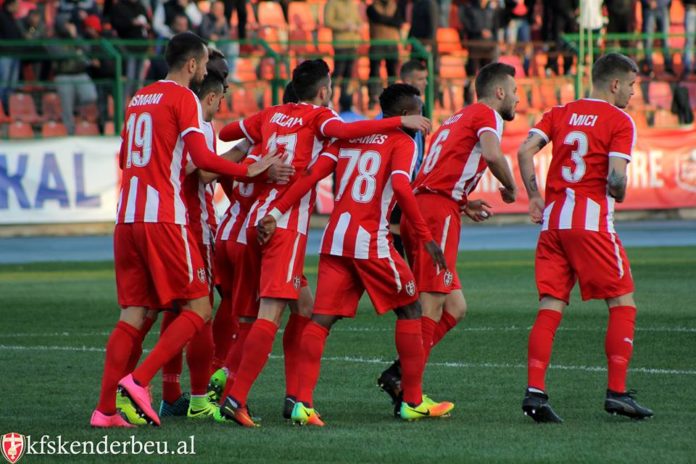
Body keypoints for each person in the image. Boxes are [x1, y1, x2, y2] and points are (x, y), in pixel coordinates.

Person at [213, 59, 431, 427]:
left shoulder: (272, 115)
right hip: (287, 226)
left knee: (299, 311)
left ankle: (293, 399)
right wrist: (398, 123)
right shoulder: (324, 120)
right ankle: (236, 398)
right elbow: (340, 141)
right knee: (270, 316)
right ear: (324, 90)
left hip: (256, 220)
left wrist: (263, 138)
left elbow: (228, 132)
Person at [90, 32, 280, 428]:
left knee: (134, 314)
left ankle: (105, 411)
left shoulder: (138, 98)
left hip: (127, 216)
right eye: (205, 65)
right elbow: (201, 159)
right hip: (164, 216)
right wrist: (249, 169)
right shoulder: (184, 99)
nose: (206, 72)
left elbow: (125, 158)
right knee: (198, 308)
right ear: (193, 64)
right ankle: (138, 382)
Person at [256, 83, 453, 425]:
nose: (422, 119)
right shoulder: (403, 141)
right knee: (411, 309)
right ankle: (412, 400)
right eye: (419, 112)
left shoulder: (349, 137)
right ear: (405, 114)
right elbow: (401, 186)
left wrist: (276, 211)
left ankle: (302, 403)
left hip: (335, 240)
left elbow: (311, 176)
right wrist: (425, 237)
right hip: (370, 241)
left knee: (321, 321)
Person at [516, 52, 653, 423]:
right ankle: (617, 393)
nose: (633, 93)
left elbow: (525, 150)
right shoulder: (619, 120)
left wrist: (533, 195)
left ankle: (535, 392)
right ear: (615, 84)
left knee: (550, 305)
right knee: (622, 302)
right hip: (591, 225)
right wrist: (619, 190)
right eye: (631, 85)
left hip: (553, 224)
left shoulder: (560, 112)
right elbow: (616, 179)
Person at [377, 63, 519, 414]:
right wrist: (511, 187)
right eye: (515, 91)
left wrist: (463, 201)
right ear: (499, 91)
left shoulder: (458, 117)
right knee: (431, 305)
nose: (517, 99)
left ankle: (399, 374)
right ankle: (411, 398)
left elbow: (440, 168)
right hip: (436, 212)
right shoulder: (487, 114)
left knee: (455, 307)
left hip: (428, 207)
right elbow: (492, 154)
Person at [367, 0, 405, 108]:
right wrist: (392, 21)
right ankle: (373, 98)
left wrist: (385, 20)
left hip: (392, 44)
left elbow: (399, 22)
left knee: (392, 72)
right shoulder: (372, 8)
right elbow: (378, 18)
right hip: (377, 43)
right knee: (374, 72)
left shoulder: (395, 6)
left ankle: (392, 99)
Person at [324, 0, 361, 99]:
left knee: (348, 73)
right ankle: (329, 98)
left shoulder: (353, 4)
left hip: (353, 43)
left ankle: (346, 101)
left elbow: (359, 20)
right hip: (340, 44)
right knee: (338, 71)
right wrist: (345, 26)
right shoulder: (332, 3)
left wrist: (358, 26)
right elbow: (327, 21)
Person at [0, 0, 23, 114]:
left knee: (12, 84)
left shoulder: (13, 18)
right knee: (4, 83)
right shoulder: (1, 17)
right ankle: (2, 108)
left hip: (15, 54)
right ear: (9, 5)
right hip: (4, 55)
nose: (18, 7)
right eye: (16, 5)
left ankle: (9, 109)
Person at [641, 0, 674, 76]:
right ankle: (649, 67)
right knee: (648, 39)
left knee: (665, 39)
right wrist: (648, 2)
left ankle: (668, 67)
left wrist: (658, 3)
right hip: (648, 9)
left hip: (663, 9)